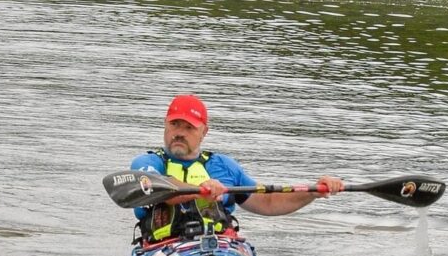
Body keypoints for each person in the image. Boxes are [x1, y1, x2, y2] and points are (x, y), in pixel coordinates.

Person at [130, 94, 344, 244]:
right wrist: (200, 190)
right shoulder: (147, 163)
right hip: (162, 249)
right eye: (174, 124)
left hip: (219, 248)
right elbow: (159, 188)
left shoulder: (224, 167)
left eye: (189, 127)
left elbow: (268, 202)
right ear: (165, 125)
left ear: (204, 132)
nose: (179, 133)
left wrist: (313, 192)